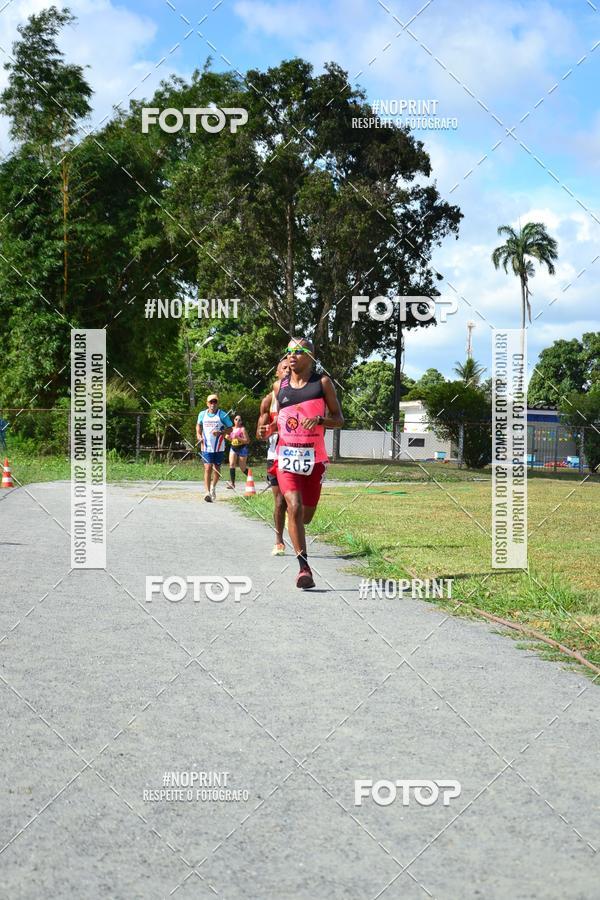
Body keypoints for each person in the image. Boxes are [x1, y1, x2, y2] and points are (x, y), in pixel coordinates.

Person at [260, 338, 344, 589]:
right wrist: (269, 428)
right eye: (289, 352)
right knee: (293, 507)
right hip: (286, 457)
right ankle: (303, 568)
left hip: (314, 459)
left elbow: (338, 419)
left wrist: (320, 420)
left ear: (310, 356)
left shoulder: (323, 383)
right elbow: (282, 419)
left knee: (305, 516)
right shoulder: (279, 387)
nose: (292, 356)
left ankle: (297, 532)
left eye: (298, 352)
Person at [256, 358, 289, 555]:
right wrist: (263, 431)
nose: (287, 370)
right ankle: (279, 540)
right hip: (275, 454)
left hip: (299, 453)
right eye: (283, 368)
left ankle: (294, 528)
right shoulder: (269, 400)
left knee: (297, 502)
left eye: (289, 368)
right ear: (277, 373)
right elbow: (259, 434)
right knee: (280, 501)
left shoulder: (304, 397)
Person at [196, 394, 233, 502]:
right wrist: (198, 435)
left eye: (215, 402)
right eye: (211, 402)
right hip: (206, 447)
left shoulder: (222, 415)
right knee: (207, 468)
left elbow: (230, 428)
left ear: (217, 403)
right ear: (207, 403)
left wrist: (221, 432)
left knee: (216, 469)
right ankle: (207, 492)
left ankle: (213, 487)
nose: (213, 404)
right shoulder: (202, 414)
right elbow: (198, 425)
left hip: (219, 447)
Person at [227, 414, 250, 489]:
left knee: (242, 468)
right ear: (233, 420)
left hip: (242, 448)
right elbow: (231, 439)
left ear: (241, 422)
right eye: (236, 419)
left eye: (239, 420)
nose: (237, 421)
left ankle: (250, 477)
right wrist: (228, 437)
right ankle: (232, 484)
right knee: (232, 464)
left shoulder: (242, 429)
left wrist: (238, 438)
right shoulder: (231, 429)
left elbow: (247, 441)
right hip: (233, 448)